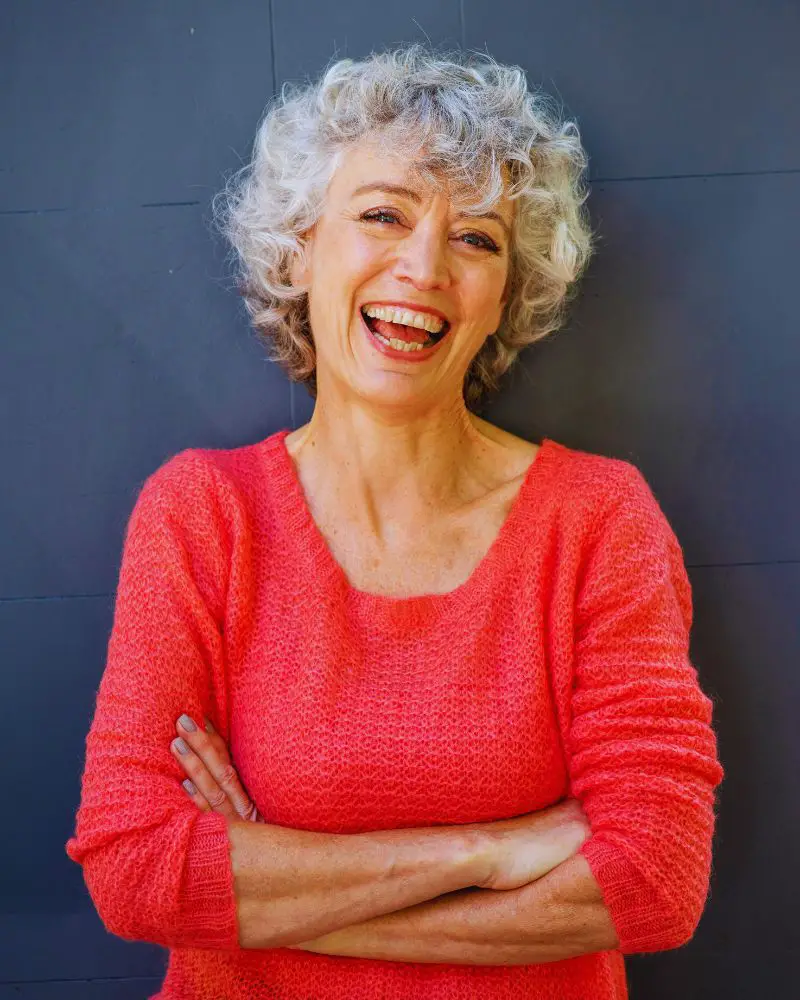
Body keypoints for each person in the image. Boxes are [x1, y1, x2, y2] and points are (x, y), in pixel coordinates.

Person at [65, 42, 724, 1000]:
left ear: (509, 292)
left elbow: (655, 881)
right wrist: (489, 850)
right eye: (382, 214)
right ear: (301, 247)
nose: (422, 266)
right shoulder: (204, 514)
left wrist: (260, 883)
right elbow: (132, 867)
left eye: (477, 239)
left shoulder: (597, 519)